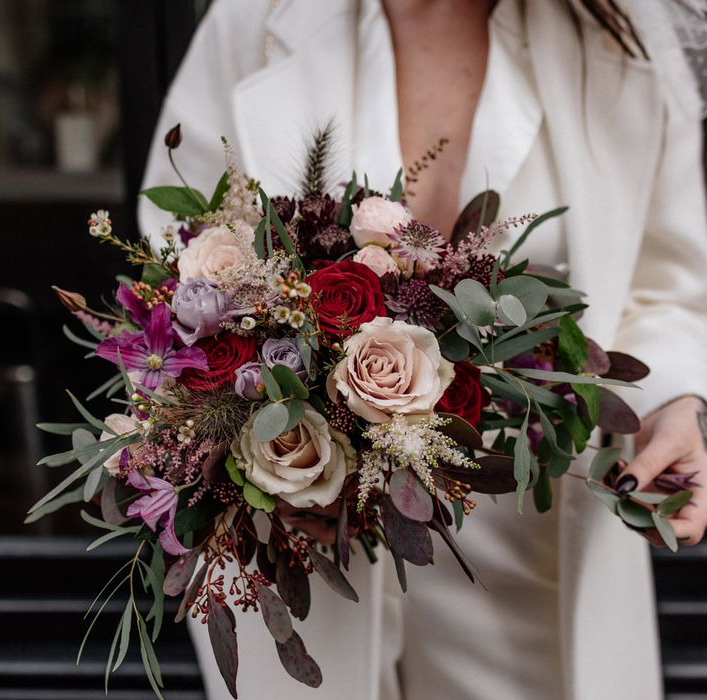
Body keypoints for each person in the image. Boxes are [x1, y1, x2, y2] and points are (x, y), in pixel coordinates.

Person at [139, 1, 707, 698]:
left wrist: (670, 401)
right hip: (315, 542)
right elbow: (179, 262)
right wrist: (260, 453)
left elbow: (667, 280)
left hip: (538, 529)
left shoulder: (628, 43)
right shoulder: (253, 19)